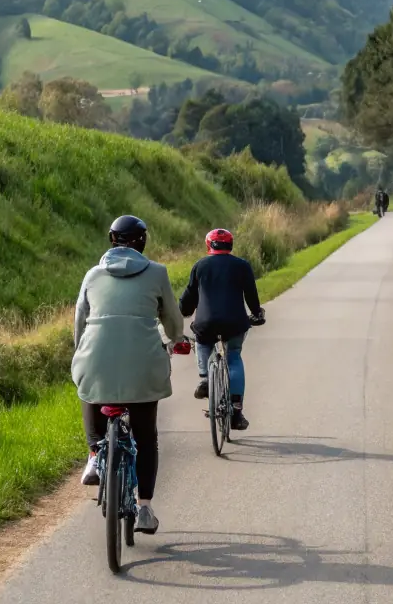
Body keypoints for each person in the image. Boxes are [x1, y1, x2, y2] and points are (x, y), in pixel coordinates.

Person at [72, 214, 184, 535]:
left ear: (111, 240)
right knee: (145, 437)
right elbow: (173, 321)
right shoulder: (157, 273)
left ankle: (95, 453)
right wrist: (176, 339)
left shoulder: (92, 276)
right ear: (143, 241)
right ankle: (145, 507)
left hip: (97, 361)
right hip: (144, 366)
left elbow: (80, 321)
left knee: (89, 387)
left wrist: (81, 351)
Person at [179, 228, 264, 431]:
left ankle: (204, 378)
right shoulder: (242, 266)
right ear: (230, 245)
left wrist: (185, 310)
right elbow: (251, 295)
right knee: (233, 357)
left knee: (202, 342)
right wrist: (257, 313)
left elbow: (189, 296)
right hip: (235, 323)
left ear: (209, 245)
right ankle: (236, 411)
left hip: (206, 323)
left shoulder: (200, 266)